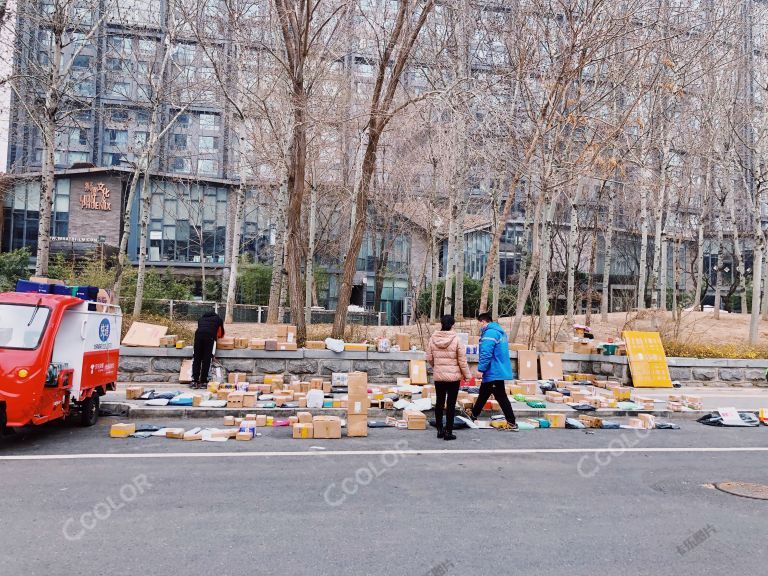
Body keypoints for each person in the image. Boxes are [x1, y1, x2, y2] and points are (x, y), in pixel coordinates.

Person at [463, 312, 518, 431]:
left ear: (483, 322)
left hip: (493, 370)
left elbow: (486, 353)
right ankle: (473, 415)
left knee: (501, 396)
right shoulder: (499, 332)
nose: (479, 327)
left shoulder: (490, 333)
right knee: (484, 393)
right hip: (497, 369)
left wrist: (481, 369)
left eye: (479, 324)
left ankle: (512, 423)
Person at [426, 315, 471, 441]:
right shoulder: (456, 339)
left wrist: (437, 366)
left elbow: (429, 357)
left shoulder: (433, 338)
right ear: (452, 324)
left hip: (439, 376)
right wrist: (467, 375)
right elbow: (462, 360)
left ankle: (439, 429)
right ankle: (448, 431)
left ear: (440, 323)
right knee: (451, 404)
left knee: (439, 403)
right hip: (453, 377)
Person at [192, 311, 225, 389]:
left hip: (198, 337)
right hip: (209, 337)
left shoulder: (201, 319)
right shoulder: (218, 319)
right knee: (206, 359)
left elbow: (201, 328)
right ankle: (203, 381)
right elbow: (221, 333)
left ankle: (194, 381)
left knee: (197, 358)